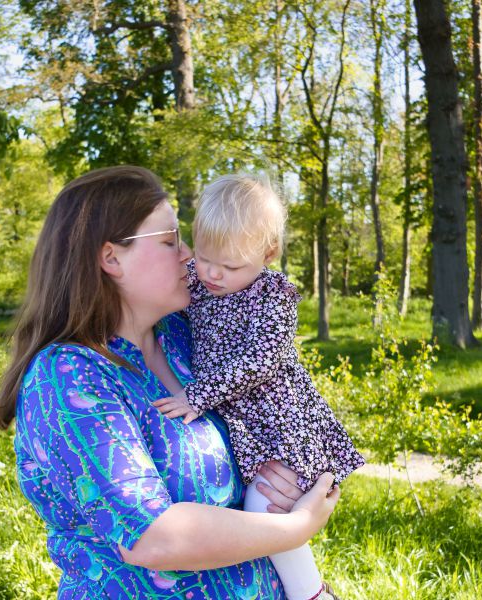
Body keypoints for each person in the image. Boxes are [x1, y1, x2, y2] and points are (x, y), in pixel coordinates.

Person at [0, 166, 341, 599]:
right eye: (169, 240)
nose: (189, 254)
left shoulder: (184, 338)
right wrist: (295, 527)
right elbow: (153, 537)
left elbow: (278, 402)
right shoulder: (69, 377)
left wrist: (291, 479)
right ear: (111, 258)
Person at [154, 173, 364, 600]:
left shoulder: (272, 297)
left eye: (231, 266)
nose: (212, 273)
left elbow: (261, 362)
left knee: (263, 506)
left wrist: (198, 395)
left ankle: (310, 592)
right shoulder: (199, 277)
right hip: (244, 422)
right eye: (206, 257)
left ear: (267, 255)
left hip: (281, 422)